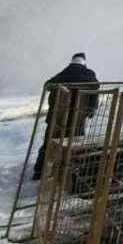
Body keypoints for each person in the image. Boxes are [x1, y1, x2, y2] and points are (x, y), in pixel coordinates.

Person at [33, 52, 99, 180]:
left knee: (49, 143)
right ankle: (70, 173)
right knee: (75, 145)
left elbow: (48, 85)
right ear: (84, 62)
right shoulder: (89, 74)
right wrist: (90, 111)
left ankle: (39, 172)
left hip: (56, 118)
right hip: (78, 118)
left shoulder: (64, 73)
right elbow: (95, 89)